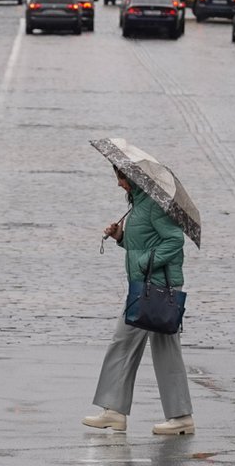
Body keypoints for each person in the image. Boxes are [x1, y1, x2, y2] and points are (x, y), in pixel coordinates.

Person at [83, 166, 193, 436]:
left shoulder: (153, 206)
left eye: (120, 179)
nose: (119, 184)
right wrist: (121, 237)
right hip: (145, 286)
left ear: (130, 179)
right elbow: (145, 241)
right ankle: (119, 412)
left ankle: (123, 412)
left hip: (157, 287)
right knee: (134, 345)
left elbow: (174, 240)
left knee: (134, 345)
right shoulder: (139, 205)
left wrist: (145, 263)